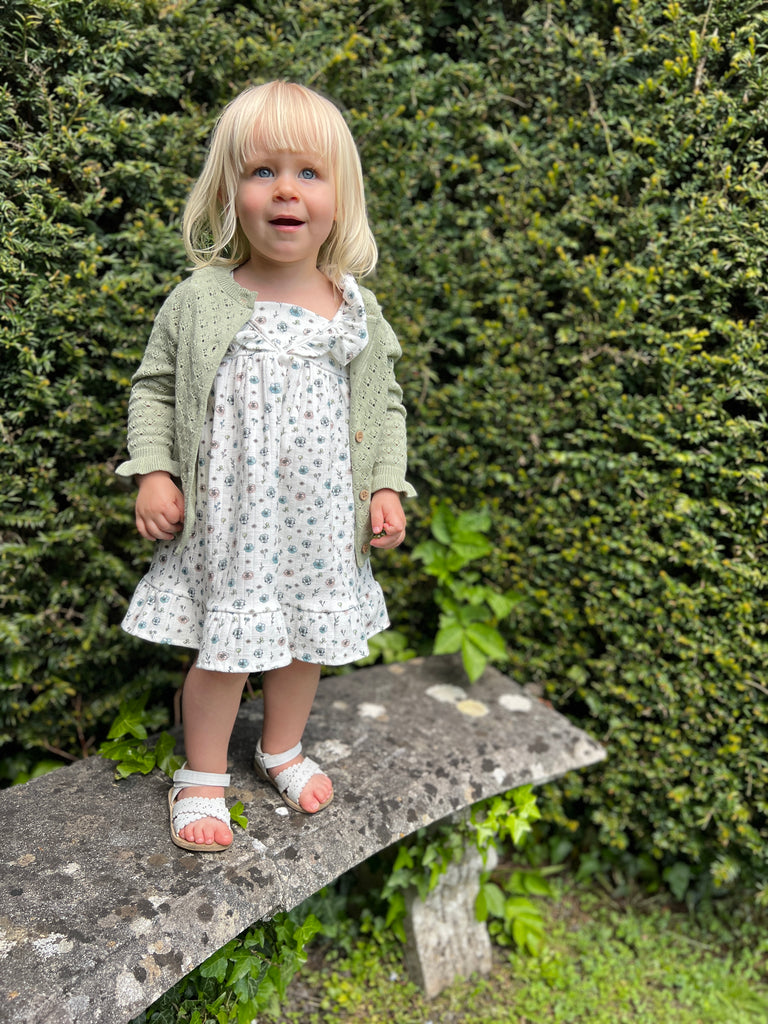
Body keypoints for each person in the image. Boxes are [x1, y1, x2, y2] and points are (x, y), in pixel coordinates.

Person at [116, 81, 415, 852]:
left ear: (340, 197)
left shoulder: (355, 312)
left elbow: (383, 409)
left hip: (320, 526)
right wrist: (154, 470)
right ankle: (203, 775)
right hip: (236, 525)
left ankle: (280, 746)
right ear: (228, 191)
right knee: (225, 653)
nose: (286, 190)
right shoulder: (201, 300)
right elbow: (153, 388)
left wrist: (384, 484)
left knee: (305, 647)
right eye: (262, 172)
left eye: (310, 174)